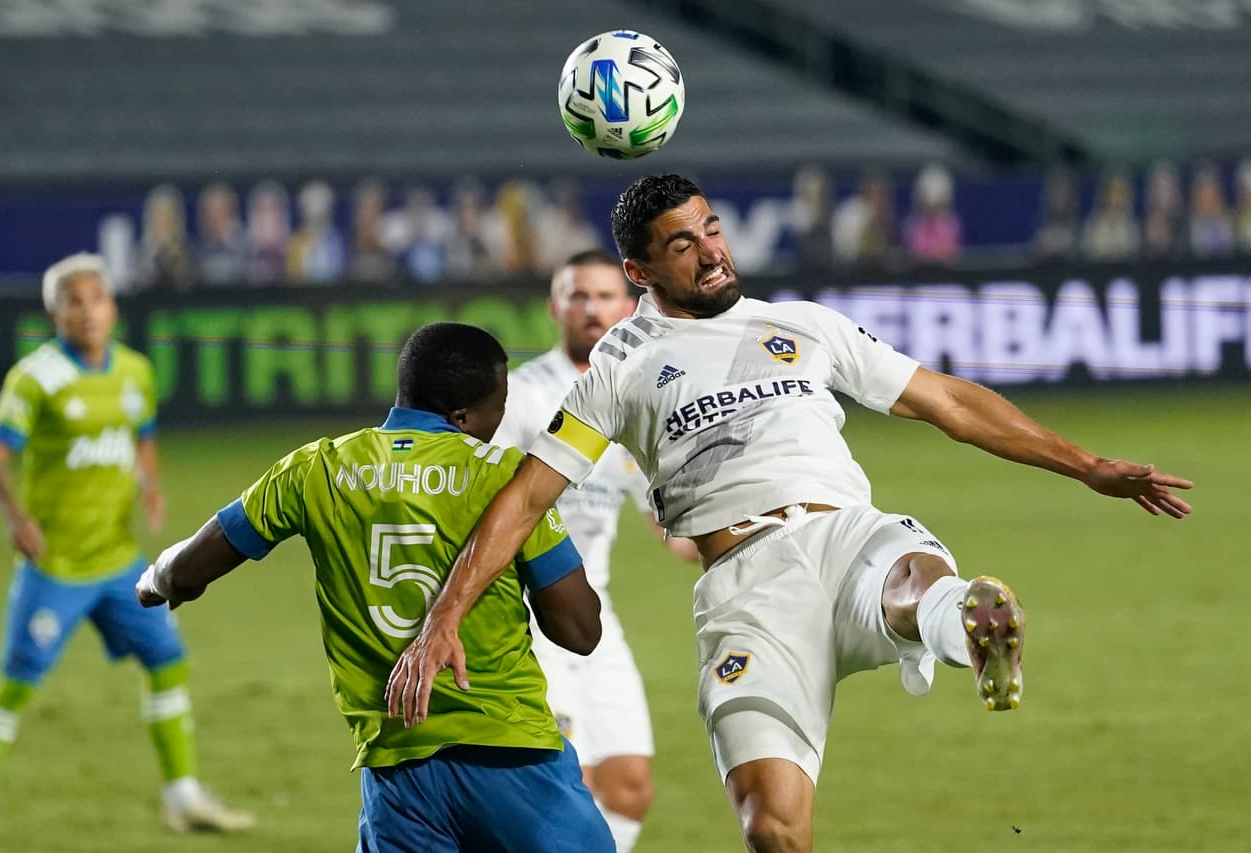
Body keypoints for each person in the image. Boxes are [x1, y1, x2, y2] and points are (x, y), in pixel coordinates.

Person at [387, 174, 1194, 853]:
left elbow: (947, 400)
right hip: (746, 591)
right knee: (772, 828)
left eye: (712, 229)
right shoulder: (618, 369)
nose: (711, 251)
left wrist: (1089, 466)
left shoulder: (804, 326)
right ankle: (950, 620)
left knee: (912, 573)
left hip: (842, 531)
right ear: (639, 269)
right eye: (682, 244)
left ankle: (962, 619)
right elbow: (528, 493)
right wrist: (443, 618)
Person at [134, 322, 615, 853]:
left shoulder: (316, 469)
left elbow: (187, 571)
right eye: (499, 406)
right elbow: (578, 629)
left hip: (398, 778)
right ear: (464, 416)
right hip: (514, 761)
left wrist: (154, 579)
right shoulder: (503, 478)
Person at [0, 253, 254, 847]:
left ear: (113, 307)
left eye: (96, 298)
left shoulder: (133, 372)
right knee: (17, 684)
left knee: (167, 663)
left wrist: (149, 483)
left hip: (119, 560)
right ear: (56, 312)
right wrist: (15, 518)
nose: (88, 311)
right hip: (57, 566)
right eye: (73, 301)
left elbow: (142, 435)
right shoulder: (38, 376)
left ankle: (183, 797)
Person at [492, 249, 698, 853]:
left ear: (629, 307)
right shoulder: (524, 397)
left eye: (605, 296)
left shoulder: (633, 394)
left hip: (593, 616)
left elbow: (672, 529)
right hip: (525, 616)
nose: (591, 308)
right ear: (555, 308)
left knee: (629, 785)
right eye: (577, 295)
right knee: (562, 791)